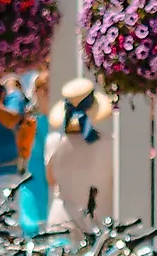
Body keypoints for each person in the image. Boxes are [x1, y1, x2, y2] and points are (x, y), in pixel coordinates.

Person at [43, 77, 112, 233]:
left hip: (61, 219)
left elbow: (50, 179)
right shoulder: (108, 143)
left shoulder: (54, 142)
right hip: (95, 220)